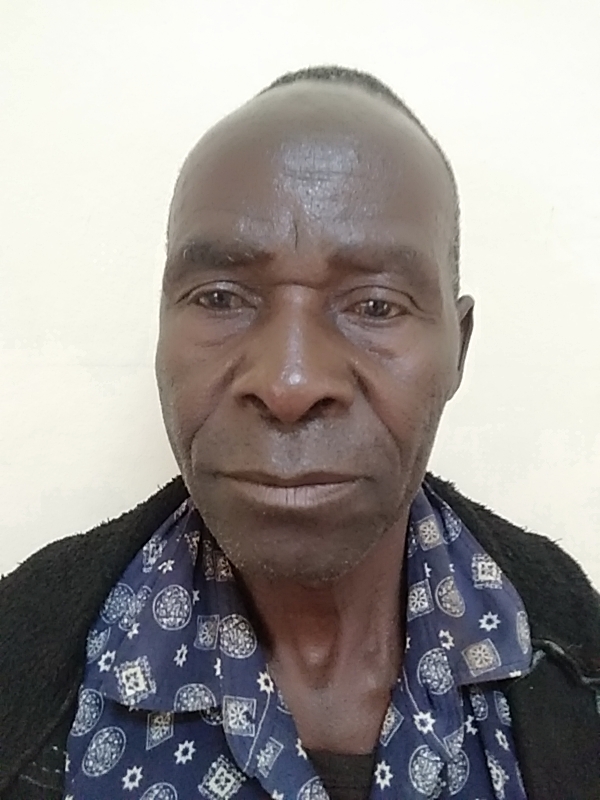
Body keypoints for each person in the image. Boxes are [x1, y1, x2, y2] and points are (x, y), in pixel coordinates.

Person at [0, 65, 599, 800]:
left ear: (459, 350)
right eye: (219, 298)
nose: (289, 383)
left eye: (375, 306)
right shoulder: (22, 657)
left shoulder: (573, 657)